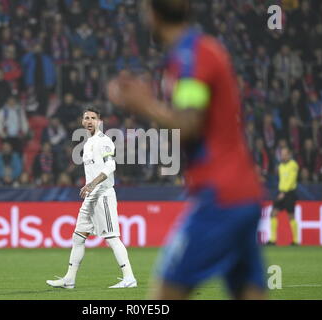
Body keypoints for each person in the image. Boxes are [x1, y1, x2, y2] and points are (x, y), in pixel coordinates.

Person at [107, 0, 265, 299]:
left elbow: (190, 123)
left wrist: (144, 104)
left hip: (220, 197)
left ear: (151, 13)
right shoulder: (198, 51)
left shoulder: (192, 56)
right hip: (242, 193)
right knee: (249, 292)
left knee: (163, 296)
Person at [46, 107, 137, 289]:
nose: (89, 121)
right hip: (90, 197)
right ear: (82, 121)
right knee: (78, 237)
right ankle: (69, 279)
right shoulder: (87, 144)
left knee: (112, 237)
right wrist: (90, 187)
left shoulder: (103, 141)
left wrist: (92, 184)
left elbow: (111, 165)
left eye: (93, 118)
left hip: (103, 194)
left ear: (99, 121)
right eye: (86, 118)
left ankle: (129, 278)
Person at [269, 147, 299, 246]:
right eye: (282, 154)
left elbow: (291, 180)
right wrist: (280, 191)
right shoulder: (281, 166)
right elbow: (282, 180)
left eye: (285, 154)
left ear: (289, 155)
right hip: (281, 192)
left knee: (291, 216)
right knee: (273, 213)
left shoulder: (293, 165)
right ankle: (272, 240)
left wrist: (284, 192)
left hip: (289, 193)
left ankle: (296, 241)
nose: (283, 156)